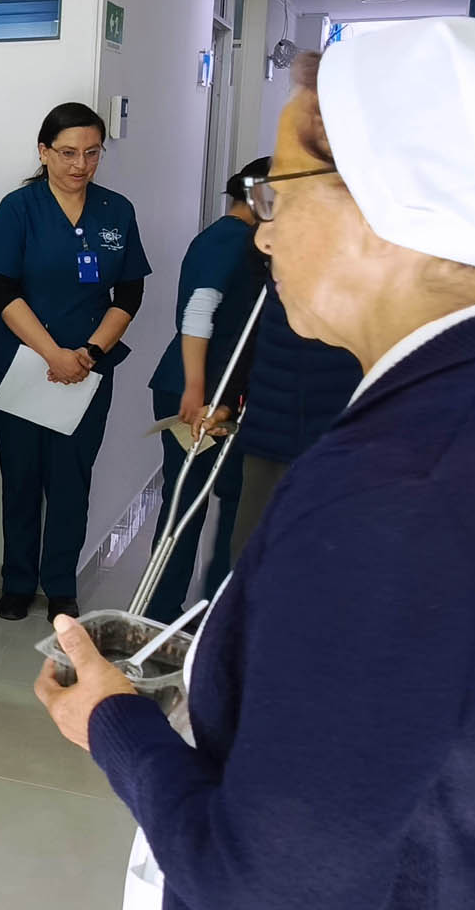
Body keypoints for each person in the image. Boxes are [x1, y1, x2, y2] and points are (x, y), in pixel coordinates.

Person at [37, 19, 475, 910]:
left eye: (276, 196)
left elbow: (267, 881)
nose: (266, 237)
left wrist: (113, 723)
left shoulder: (406, 489)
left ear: (391, 199)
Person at [0, 103, 149, 623]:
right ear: (44, 151)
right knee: (21, 478)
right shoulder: (19, 207)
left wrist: (90, 353)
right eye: (68, 152)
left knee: (72, 480)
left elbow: (130, 293)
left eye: (92, 152)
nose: (80, 164)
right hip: (23, 366)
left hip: (88, 370)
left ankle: (60, 585)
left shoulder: (115, 210)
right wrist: (51, 353)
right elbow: (0, 289)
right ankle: (16, 581)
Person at [140, 158, 268, 622]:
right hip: (198, 391)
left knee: (229, 497)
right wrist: (196, 389)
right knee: (188, 503)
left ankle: (213, 607)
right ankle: (160, 614)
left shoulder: (246, 242)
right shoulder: (228, 241)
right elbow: (198, 312)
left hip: (224, 391)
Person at [222, 283, 363, 557]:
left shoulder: (369, 273)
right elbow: (250, 338)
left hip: (335, 440)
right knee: (248, 549)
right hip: (267, 431)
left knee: (317, 549)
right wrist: (226, 399)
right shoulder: (281, 275)